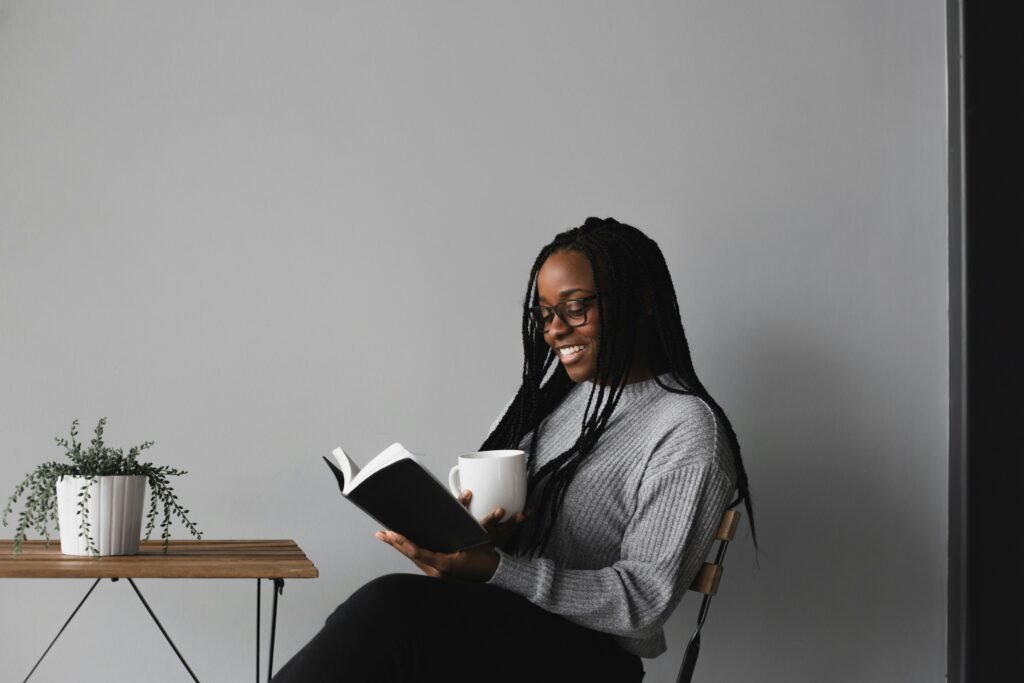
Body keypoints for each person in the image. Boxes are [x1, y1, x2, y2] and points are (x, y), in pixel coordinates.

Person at [272, 217, 755, 682]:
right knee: (370, 625)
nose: (554, 330)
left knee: (388, 611)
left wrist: (500, 569)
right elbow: (518, 547)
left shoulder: (686, 429)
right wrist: (473, 547)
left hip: (588, 661)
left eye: (574, 307)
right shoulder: (548, 402)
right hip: (508, 630)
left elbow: (643, 603)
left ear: (642, 300)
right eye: (544, 314)